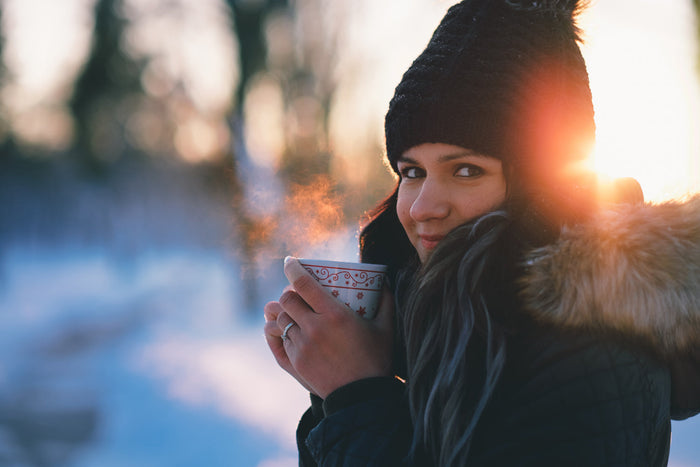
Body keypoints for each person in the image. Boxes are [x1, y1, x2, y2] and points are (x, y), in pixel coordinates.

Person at [263, 0, 700, 465]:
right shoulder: (446, 319)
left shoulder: (590, 350)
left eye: (467, 170)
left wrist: (356, 396)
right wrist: (334, 385)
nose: (423, 207)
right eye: (412, 171)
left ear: (542, 187)